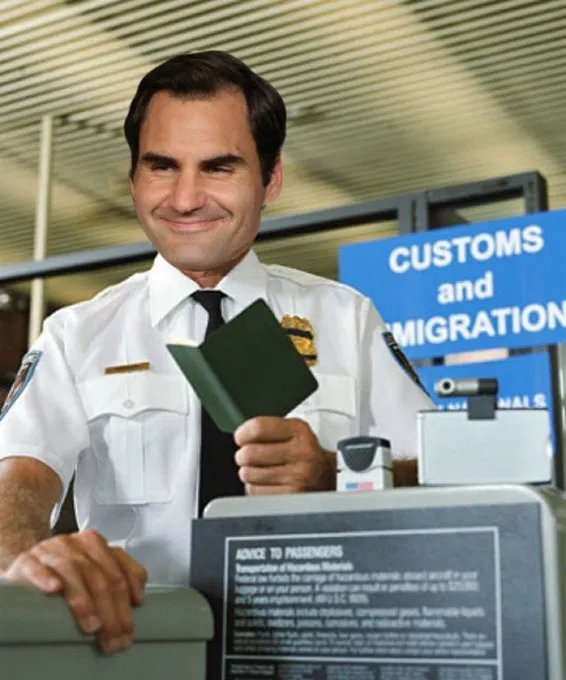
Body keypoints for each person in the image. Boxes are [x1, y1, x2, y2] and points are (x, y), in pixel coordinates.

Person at [0, 51, 433, 654]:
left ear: (270, 178)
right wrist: (27, 556)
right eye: (161, 166)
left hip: (322, 650)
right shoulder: (77, 334)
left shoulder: (347, 319)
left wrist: (336, 474)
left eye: (218, 168)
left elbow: (443, 474)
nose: (185, 199)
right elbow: (15, 481)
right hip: (138, 649)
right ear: (133, 178)